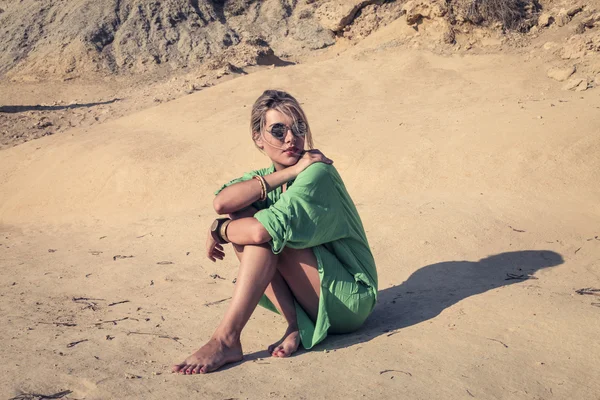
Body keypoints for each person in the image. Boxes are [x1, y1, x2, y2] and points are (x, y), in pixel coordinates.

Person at [172, 89, 378, 375]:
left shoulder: (318, 173)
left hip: (351, 300)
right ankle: (295, 324)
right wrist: (286, 174)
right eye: (279, 130)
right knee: (243, 211)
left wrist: (220, 230)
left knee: (263, 231)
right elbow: (222, 201)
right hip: (313, 297)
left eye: (299, 128)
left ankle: (226, 338)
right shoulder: (277, 175)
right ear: (258, 138)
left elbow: (258, 233)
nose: (291, 138)